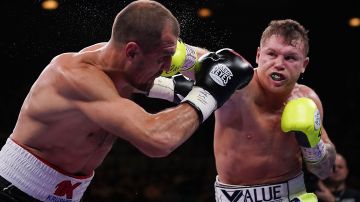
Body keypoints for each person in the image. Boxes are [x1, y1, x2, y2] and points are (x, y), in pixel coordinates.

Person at [0, 0, 254, 201]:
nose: (168, 67)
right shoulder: (73, 76)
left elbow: (211, 62)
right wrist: (207, 92)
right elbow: (158, 139)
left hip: (61, 194)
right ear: (131, 51)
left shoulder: (123, 64)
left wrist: (226, 68)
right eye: (162, 59)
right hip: (12, 189)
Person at [146, 19, 337, 201]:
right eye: (272, 54)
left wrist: (313, 145)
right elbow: (195, 57)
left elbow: (324, 170)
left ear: (304, 65)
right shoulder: (237, 86)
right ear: (258, 55)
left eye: (290, 57)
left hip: (293, 196)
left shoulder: (307, 99)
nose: (279, 64)